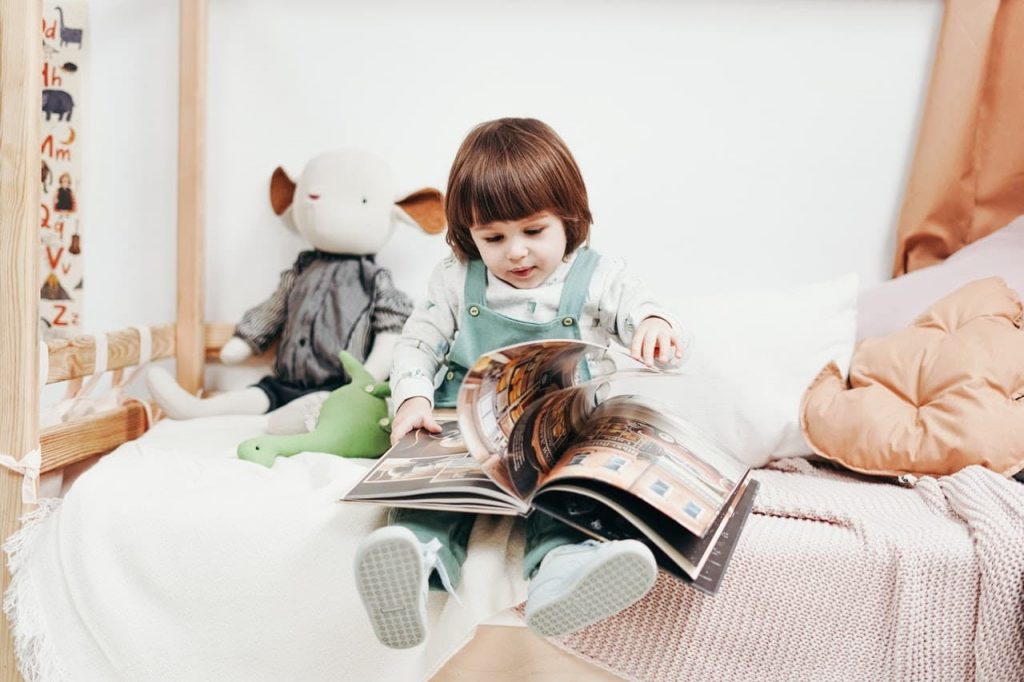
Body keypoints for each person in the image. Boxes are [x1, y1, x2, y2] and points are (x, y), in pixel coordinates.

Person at [354, 118, 688, 649]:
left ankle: (563, 571)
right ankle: (413, 560)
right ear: (468, 234)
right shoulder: (455, 278)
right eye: (493, 237)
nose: (515, 252)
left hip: (557, 428)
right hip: (469, 421)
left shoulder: (598, 276)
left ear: (569, 218)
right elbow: (418, 342)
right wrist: (412, 399)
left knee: (567, 496)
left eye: (534, 232)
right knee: (435, 493)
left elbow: (639, 306)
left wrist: (654, 325)